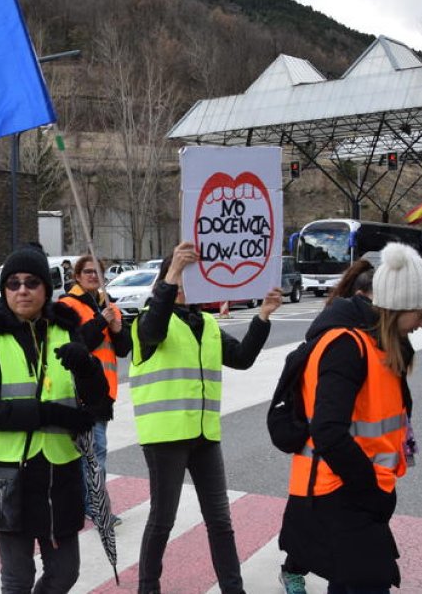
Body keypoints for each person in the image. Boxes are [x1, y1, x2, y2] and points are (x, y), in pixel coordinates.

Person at [278, 242, 422, 593]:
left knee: (355, 582)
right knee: (368, 583)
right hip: (338, 491)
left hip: (354, 489)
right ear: (396, 306)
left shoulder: (376, 344)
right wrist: (371, 490)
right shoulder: (347, 346)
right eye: (421, 313)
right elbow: (328, 431)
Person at [132, 241, 282, 594]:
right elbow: (154, 329)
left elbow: (243, 358)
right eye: (181, 278)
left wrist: (263, 315)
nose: (187, 285)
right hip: (165, 435)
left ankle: (234, 588)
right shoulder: (149, 321)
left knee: (220, 519)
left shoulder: (207, 324)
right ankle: (147, 588)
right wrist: (172, 273)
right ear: (166, 280)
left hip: (203, 435)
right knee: (163, 520)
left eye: (191, 277)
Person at [0, 247, 110, 593]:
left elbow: (100, 404)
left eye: (31, 282)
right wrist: (48, 414)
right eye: (12, 284)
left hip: (58, 473)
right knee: (17, 577)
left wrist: (88, 368)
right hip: (4, 472)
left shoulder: (67, 330)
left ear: (45, 288)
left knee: (65, 572)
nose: (22, 290)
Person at [281, 255, 376, 594]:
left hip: (344, 454)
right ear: (367, 297)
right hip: (321, 454)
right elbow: (326, 419)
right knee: (307, 526)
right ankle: (292, 571)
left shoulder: (360, 331)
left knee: (329, 535)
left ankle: (301, 569)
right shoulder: (339, 338)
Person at [59, 255, 129, 522]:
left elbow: (123, 349)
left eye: (97, 272)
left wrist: (117, 327)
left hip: (104, 392)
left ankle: (83, 502)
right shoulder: (68, 305)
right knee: (95, 450)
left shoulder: (109, 305)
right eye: (87, 272)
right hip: (82, 388)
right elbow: (77, 345)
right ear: (77, 276)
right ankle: (96, 506)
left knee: (89, 451)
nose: (92, 276)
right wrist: (101, 322)